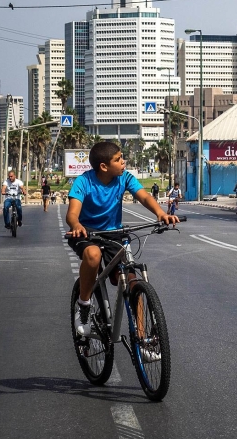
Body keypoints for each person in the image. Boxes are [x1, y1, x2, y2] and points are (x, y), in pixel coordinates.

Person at [67, 142, 179, 337]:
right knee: (92, 255)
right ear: (104, 166)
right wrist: (76, 225)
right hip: (86, 232)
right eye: (118, 159)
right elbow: (72, 214)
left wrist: (161, 214)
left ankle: (142, 338)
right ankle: (84, 305)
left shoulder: (124, 178)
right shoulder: (83, 182)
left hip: (114, 234)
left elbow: (144, 197)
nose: (123, 162)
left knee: (132, 280)